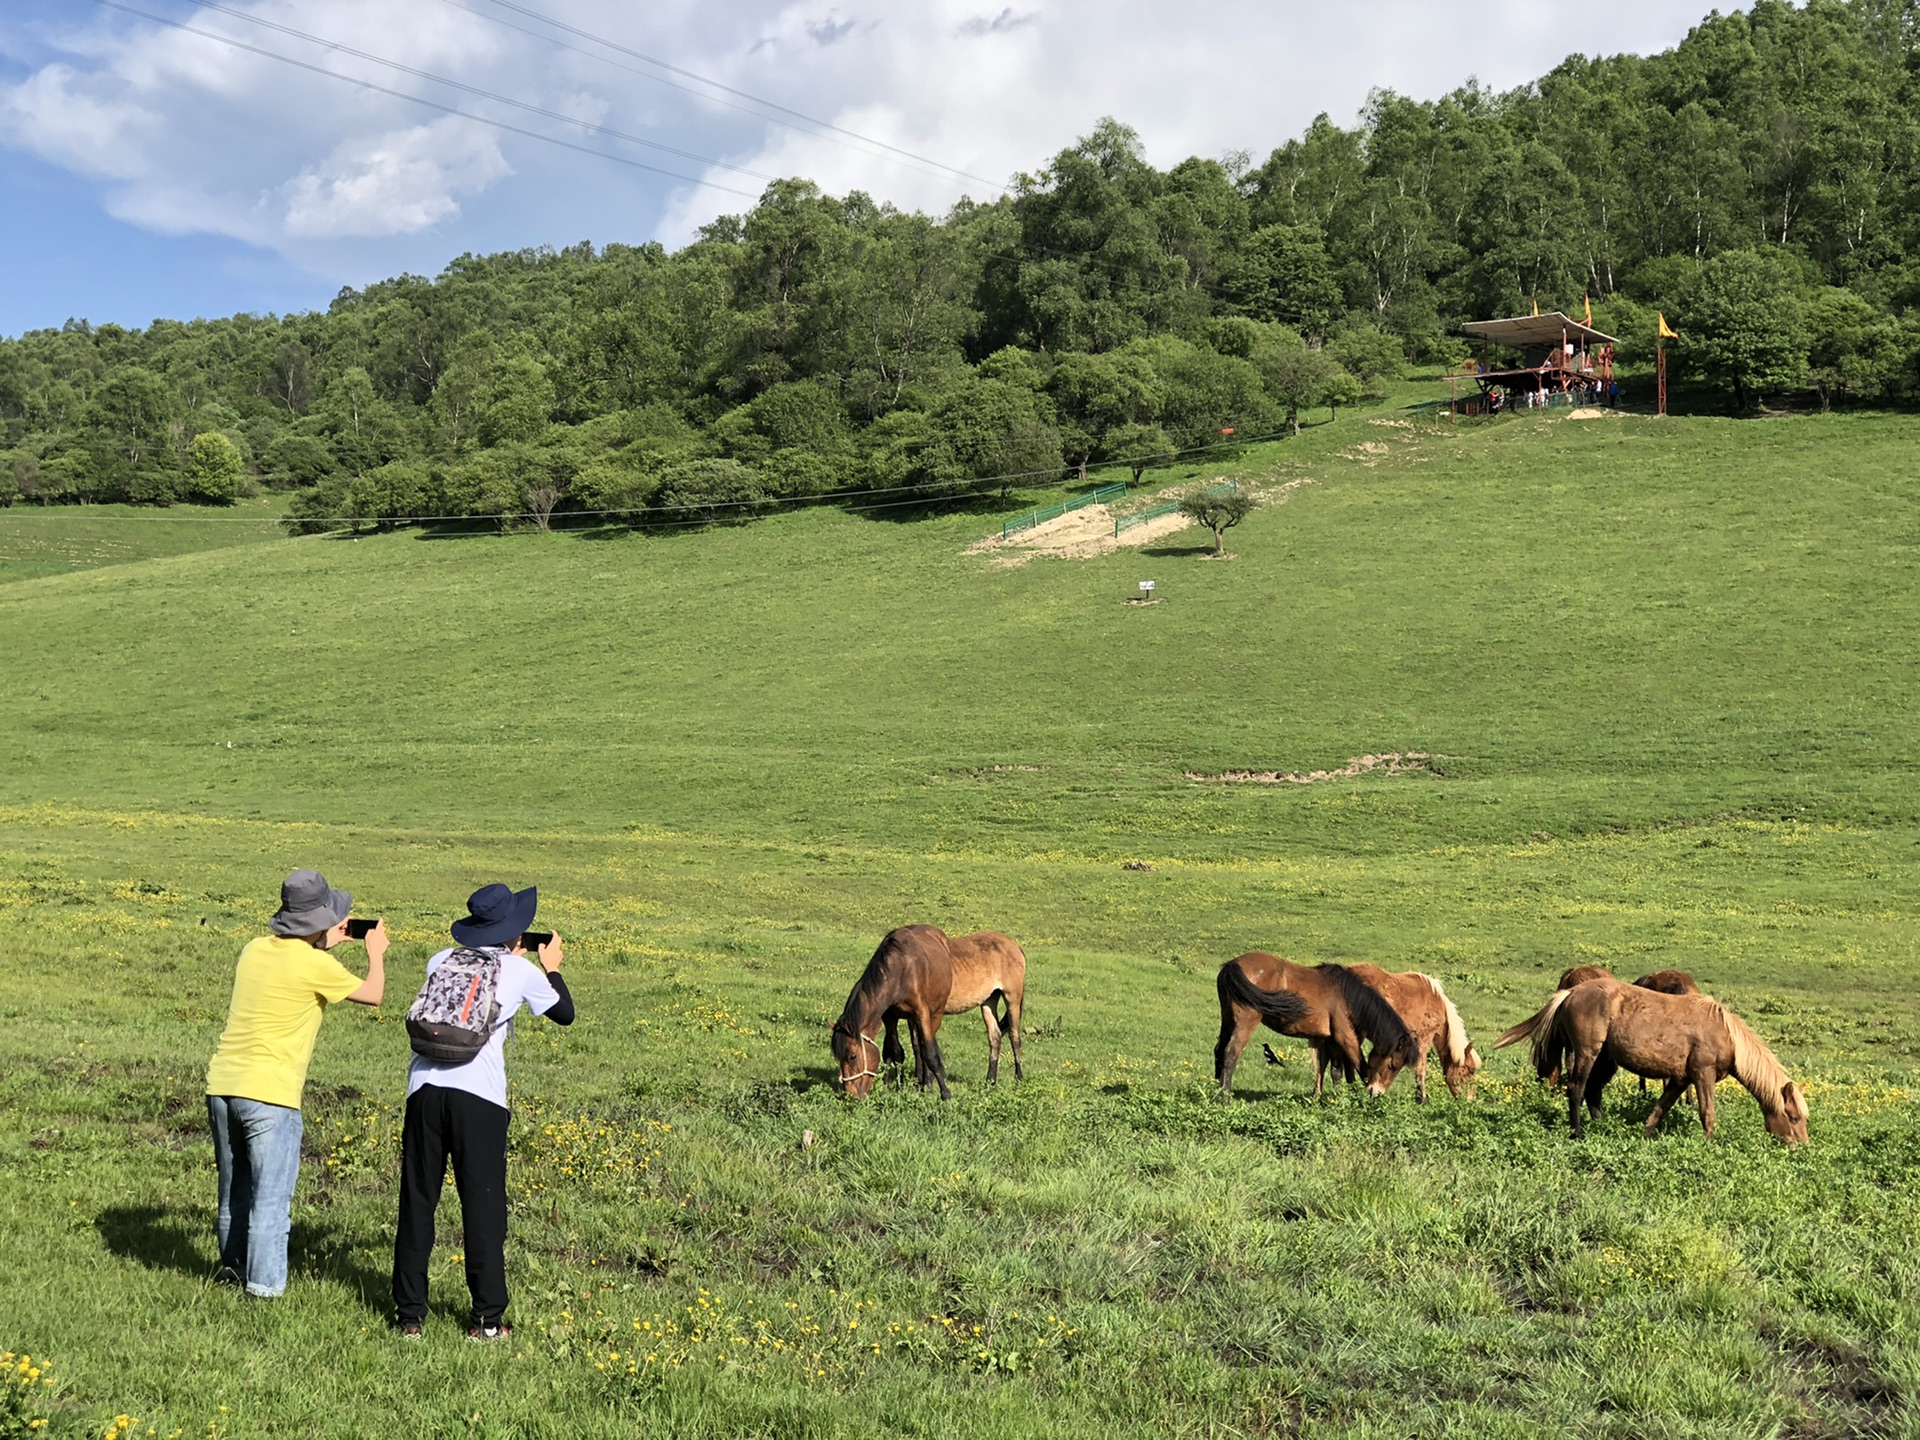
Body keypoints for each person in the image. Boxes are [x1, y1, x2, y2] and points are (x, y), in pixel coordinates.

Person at [391, 883, 573, 1341]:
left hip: (424, 1089)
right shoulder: (519, 969)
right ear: (513, 933)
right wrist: (550, 968)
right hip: (480, 1097)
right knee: (483, 1207)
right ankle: (488, 1321)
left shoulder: (440, 960)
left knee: (418, 1203)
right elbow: (565, 1014)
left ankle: (409, 1317)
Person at [205, 869, 387, 1298]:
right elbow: (373, 994)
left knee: (235, 1192)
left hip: (222, 1083)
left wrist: (324, 940)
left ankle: (231, 1273)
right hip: (271, 1094)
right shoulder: (317, 965)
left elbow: (290, 964)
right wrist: (375, 952)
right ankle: (263, 1289)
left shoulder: (253, 950)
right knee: (271, 1198)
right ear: (322, 920)